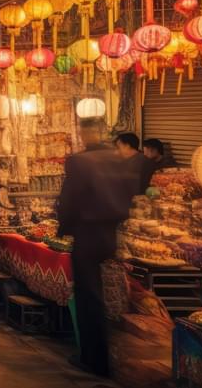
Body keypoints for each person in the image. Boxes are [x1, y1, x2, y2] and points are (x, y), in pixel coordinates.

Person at [57, 118, 141, 377]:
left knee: (89, 296)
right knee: (100, 293)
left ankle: (94, 359)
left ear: (85, 133)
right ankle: (105, 354)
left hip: (87, 232)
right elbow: (131, 191)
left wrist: (63, 227)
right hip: (110, 232)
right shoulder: (118, 159)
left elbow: (69, 199)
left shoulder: (80, 162)